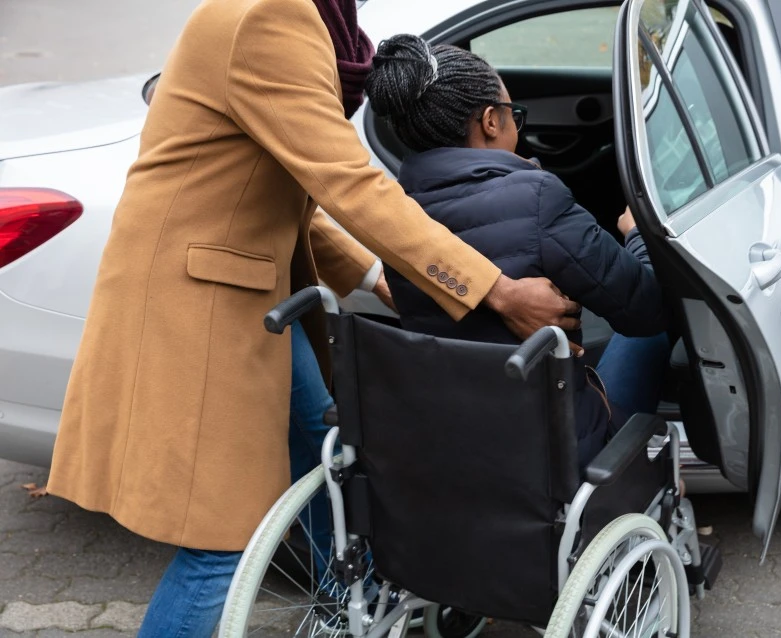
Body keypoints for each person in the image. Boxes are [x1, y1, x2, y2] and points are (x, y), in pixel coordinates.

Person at [45, 0, 581, 635]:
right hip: (200, 300)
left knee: (329, 462)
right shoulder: (271, 16)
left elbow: (292, 182)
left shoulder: (315, 24)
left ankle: (341, 611)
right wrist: (493, 290)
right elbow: (348, 183)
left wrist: (376, 276)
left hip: (247, 292)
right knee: (223, 541)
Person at [365, 35, 672, 468]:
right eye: (514, 114)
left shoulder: (400, 218)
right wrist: (635, 236)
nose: (515, 124)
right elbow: (644, 310)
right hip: (557, 450)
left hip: (455, 448)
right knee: (654, 335)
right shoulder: (536, 199)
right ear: (491, 121)